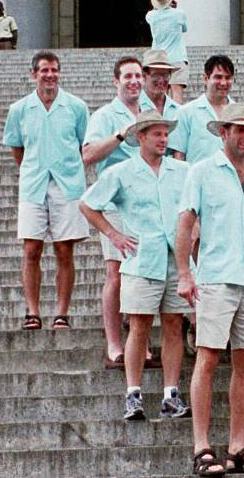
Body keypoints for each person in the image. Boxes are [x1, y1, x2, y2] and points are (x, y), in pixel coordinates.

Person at [176, 103, 244, 477]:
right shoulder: (202, 172)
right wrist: (185, 272)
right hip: (217, 277)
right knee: (207, 358)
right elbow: (186, 223)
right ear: (223, 133)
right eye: (238, 130)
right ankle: (201, 446)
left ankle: (237, 446)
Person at [80, 110, 192, 421]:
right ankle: (133, 392)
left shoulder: (182, 170)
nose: (163, 139)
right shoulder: (122, 172)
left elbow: (195, 208)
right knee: (139, 326)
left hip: (175, 260)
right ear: (140, 137)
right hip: (141, 259)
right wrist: (114, 234)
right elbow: (87, 204)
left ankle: (171, 394)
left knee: (173, 325)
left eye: (165, 133)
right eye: (156, 134)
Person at [2, 50, 89, 330]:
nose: (50, 76)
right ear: (33, 74)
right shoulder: (19, 109)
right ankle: (33, 311)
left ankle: (62, 312)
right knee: (31, 248)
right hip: (34, 183)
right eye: (44, 71)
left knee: (64, 249)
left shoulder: (76, 107)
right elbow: (17, 147)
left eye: (54, 70)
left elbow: (83, 145)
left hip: (67, 183)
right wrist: (31, 168)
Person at [82, 56, 157, 369]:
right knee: (115, 272)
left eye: (138, 76)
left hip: (146, 204)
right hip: (113, 204)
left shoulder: (150, 112)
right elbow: (87, 155)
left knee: (145, 274)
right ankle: (114, 343)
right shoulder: (104, 116)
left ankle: (141, 343)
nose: (134, 81)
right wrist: (120, 135)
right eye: (127, 76)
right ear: (116, 81)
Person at [168, 55, 235, 163]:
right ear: (205, 78)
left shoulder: (239, 113)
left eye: (228, 78)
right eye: (218, 77)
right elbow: (178, 155)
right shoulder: (186, 113)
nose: (223, 83)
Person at [146, 0, 189, 103]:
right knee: (177, 93)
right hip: (177, 57)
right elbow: (184, 29)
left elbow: (153, 14)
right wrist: (174, 7)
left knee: (160, 95)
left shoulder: (150, 15)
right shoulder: (179, 13)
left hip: (159, 59)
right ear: (170, 0)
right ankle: (177, 118)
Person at [140, 49, 181, 119]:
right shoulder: (133, 107)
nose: (161, 80)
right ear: (144, 76)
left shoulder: (178, 110)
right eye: (156, 75)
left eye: (165, 75)